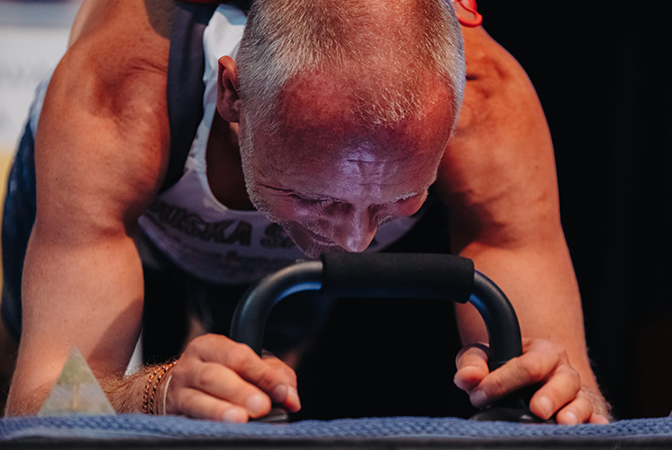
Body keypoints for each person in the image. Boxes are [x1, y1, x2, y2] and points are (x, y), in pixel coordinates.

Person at [0, 0, 611, 424]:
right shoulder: (122, 94)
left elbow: (574, 395)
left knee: (253, 397)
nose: (352, 241)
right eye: (317, 196)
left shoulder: (487, 109)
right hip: (133, 214)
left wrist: (560, 396)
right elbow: (41, 407)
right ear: (235, 96)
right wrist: (157, 394)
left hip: (266, 242)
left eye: (400, 200)